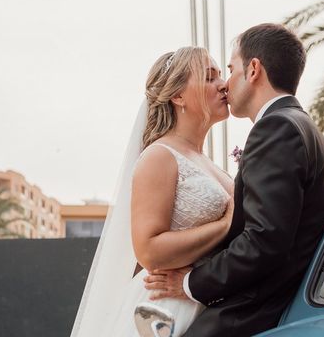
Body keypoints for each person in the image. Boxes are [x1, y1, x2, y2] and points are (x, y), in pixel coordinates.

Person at [145, 23, 324, 336]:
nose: (225, 83)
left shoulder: (276, 128)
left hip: (254, 314)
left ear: (254, 70)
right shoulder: (305, 129)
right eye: (213, 76)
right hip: (280, 308)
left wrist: (187, 282)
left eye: (228, 69)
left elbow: (264, 240)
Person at [70, 46, 234, 337]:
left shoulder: (209, 164)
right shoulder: (159, 157)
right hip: (167, 311)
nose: (223, 84)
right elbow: (149, 251)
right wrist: (225, 225)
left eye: (221, 75)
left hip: (207, 302)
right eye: (209, 77)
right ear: (178, 96)